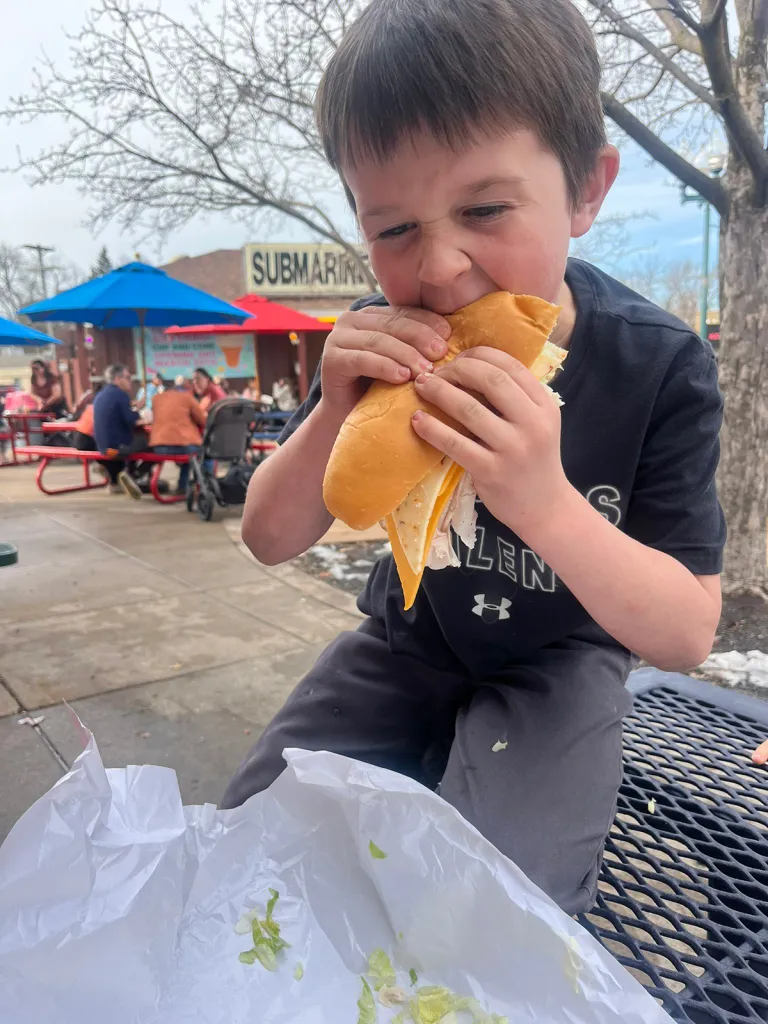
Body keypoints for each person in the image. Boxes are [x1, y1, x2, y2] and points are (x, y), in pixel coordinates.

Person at [223, 0, 725, 917]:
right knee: (249, 846)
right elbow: (268, 537)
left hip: (561, 663)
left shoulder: (659, 366)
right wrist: (334, 407)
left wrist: (542, 501)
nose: (444, 268)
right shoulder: (379, 350)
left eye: (484, 208)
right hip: (405, 639)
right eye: (395, 229)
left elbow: (687, 631)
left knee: (490, 910)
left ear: (586, 190)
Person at [93, 364, 149, 498]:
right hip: (117, 448)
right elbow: (131, 419)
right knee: (151, 443)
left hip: (102, 447)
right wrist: (144, 418)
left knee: (132, 440)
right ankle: (134, 475)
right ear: (118, 379)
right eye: (128, 377)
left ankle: (117, 480)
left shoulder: (100, 395)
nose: (130, 381)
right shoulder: (121, 394)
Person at [149, 377, 207, 493]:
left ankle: (182, 486)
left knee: (189, 453)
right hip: (183, 446)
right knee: (201, 453)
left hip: (158, 446)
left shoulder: (156, 399)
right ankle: (196, 486)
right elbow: (203, 421)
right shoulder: (187, 398)